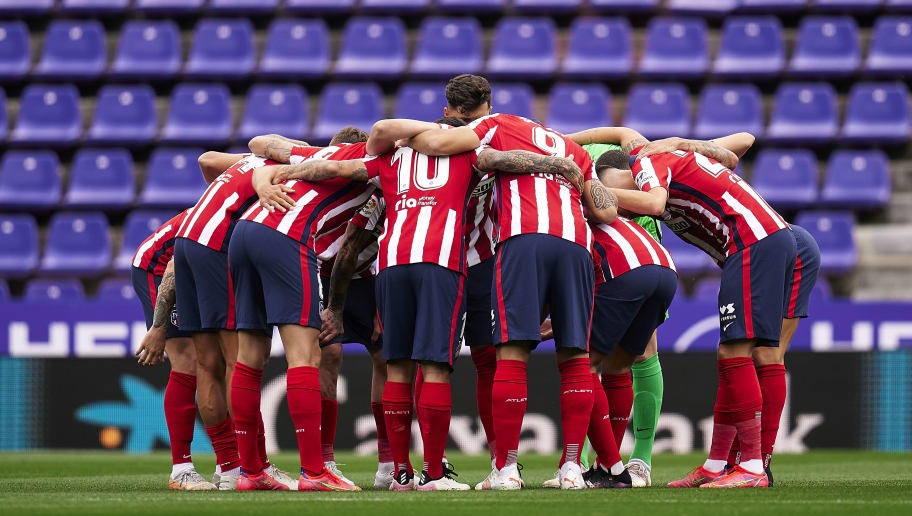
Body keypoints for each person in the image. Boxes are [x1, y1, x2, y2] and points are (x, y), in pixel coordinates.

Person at [398, 113, 618, 490]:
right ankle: (570, 469)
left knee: (512, 352)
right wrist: (565, 169)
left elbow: (479, 158)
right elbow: (606, 210)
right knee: (576, 356)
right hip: (577, 246)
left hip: (524, 240)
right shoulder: (573, 149)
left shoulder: (499, 124)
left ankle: (508, 469)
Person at [585, 127, 794, 488]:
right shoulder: (665, 161)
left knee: (740, 354)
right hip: (752, 244)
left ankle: (753, 468)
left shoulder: (646, 161)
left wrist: (591, 192)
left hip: (753, 240)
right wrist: (685, 144)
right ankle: (716, 465)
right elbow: (726, 153)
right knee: (730, 355)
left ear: (613, 176)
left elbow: (653, 205)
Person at [227, 128, 375, 492]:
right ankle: (314, 472)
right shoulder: (375, 159)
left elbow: (259, 145)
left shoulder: (313, 152)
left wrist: (268, 179)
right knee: (305, 354)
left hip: (245, 233)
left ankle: (250, 472)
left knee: (249, 356)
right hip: (287, 238)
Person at [132, 210, 216, 491]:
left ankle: (229, 465)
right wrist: (158, 328)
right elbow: (173, 266)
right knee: (187, 360)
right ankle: (181, 469)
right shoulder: (225, 214)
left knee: (215, 359)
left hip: (195, 271)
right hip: (158, 267)